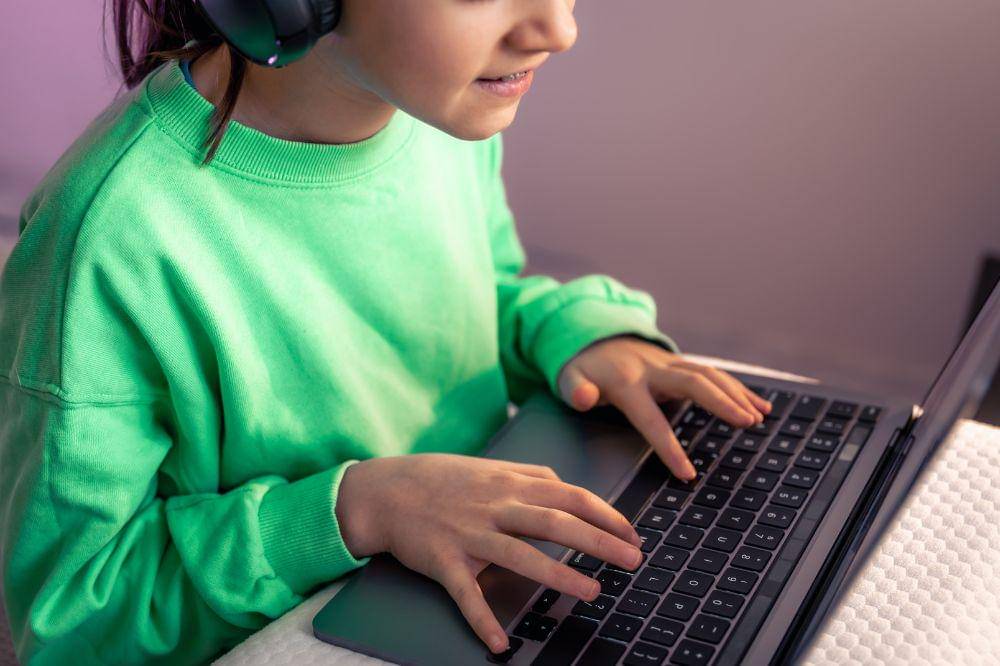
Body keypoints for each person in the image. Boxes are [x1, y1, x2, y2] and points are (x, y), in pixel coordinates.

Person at [0, 0, 772, 662]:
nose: (558, 28)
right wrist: (357, 510)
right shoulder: (105, 241)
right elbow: (70, 619)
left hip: (465, 577)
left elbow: (478, 293)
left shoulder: (429, 107)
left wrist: (581, 335)